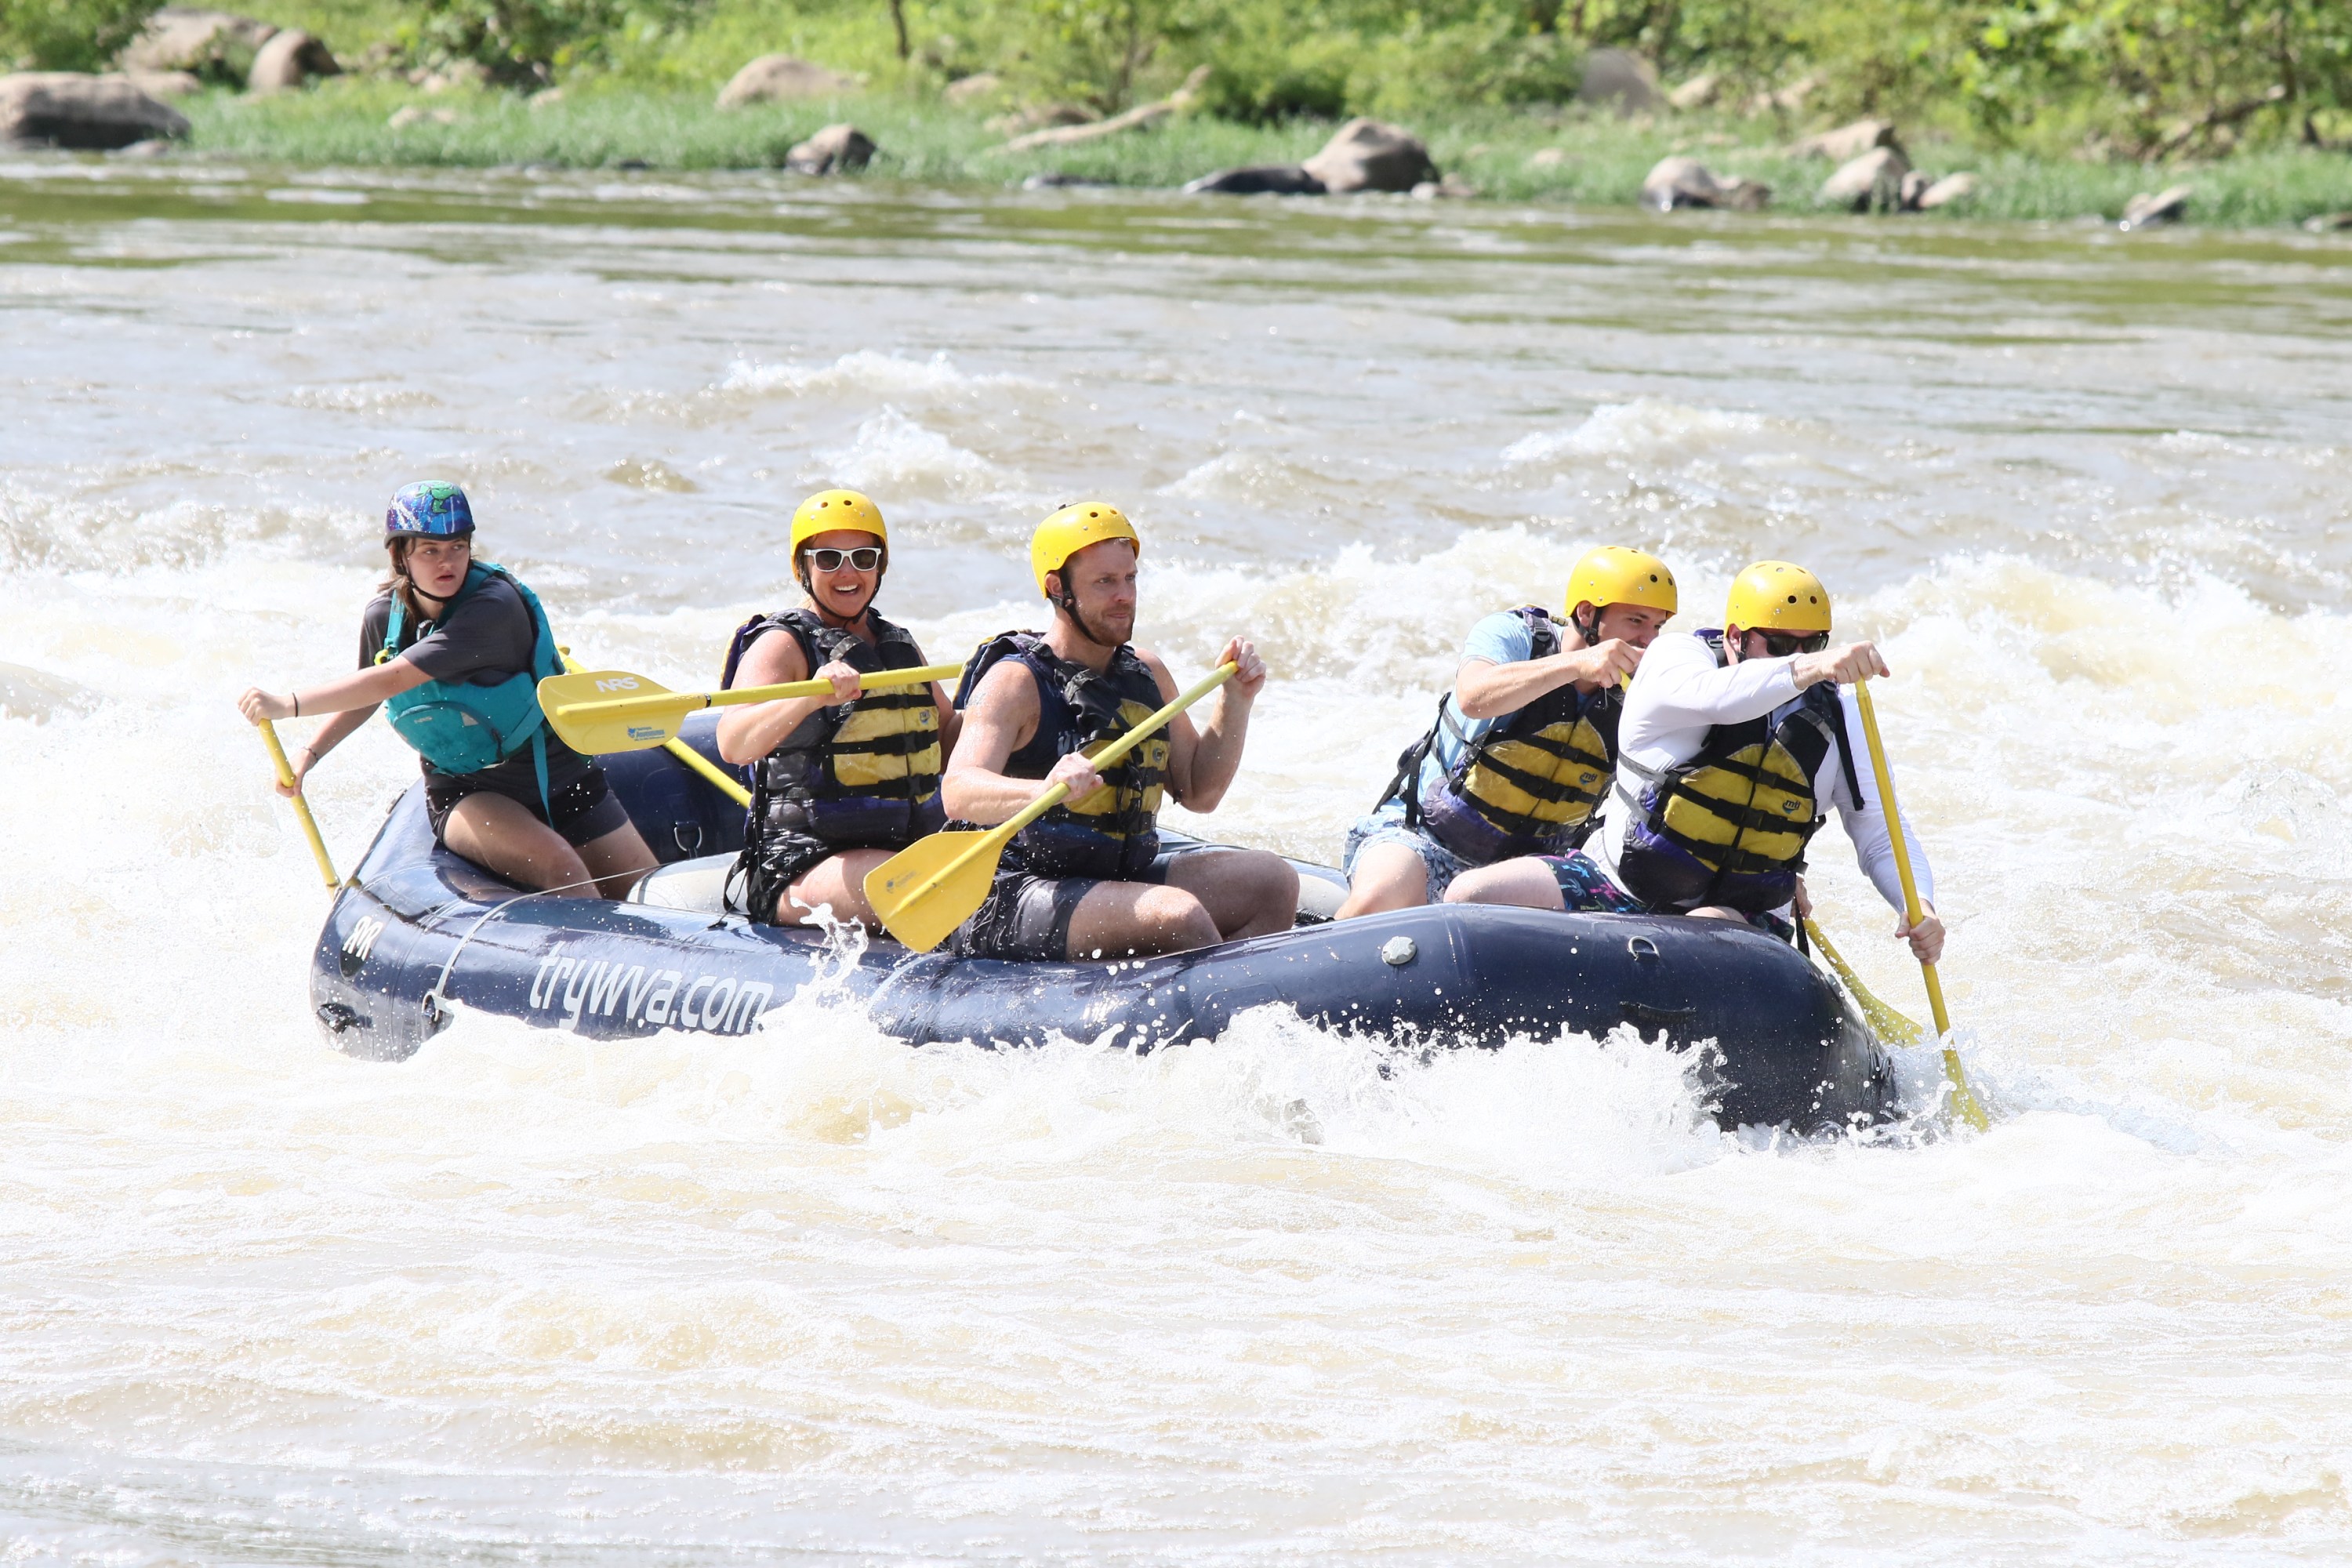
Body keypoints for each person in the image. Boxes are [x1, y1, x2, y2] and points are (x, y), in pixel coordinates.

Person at [1453, 560, 1944, 964]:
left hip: (1737, 913)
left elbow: (1880, 833)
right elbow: (1718, 700)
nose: (1793, 656)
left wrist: (1917, 904)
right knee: (1468, 897)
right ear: (1735, 637)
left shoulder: (1842, 711)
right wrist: (1810, 665)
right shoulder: (1677, 658)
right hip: (1619, 882)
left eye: (1811, 644)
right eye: (1777, 644)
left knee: (1696, 937)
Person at [235, 481, 658, 898]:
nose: (447, 562)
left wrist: (286, 704)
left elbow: (394, 679)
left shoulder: (494, 607)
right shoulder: (383, 620)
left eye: (458, 547)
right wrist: (309, 755)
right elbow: (370, 695)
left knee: (652, 897)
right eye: (430, 551)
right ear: (400, 556)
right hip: (468, 788)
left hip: (563, 776)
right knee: (562, 868)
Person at [940, 502, 1298, 961]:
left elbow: (1200, 792)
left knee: (1273, 883)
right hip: (1012, 890)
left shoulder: (1146, 672)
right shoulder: (1015, 682)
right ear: (1058, 589)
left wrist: (1237, 700)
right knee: (1178, 915)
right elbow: (959, 790)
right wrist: (1043, 789)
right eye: (1105, 582)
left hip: (1118, 875)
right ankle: (1230, 1012)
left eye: (1129, 579)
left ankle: (1223, 999)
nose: (1125, 595)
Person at [1335, 546, 1680, 920]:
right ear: (1586, 613)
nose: (1649, 639)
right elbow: (1473, 696)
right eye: (1636, 621)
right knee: (1381, 896)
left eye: (1657, 626)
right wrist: (1578, 664)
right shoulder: (1513, 635)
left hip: (1528, 871)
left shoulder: (1639, 695)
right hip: (1424, 838)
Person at [714, 488, 960, 931]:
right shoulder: (782, 645)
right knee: (920, 888)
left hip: (908, 849)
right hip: (802, 863)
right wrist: (811, 696)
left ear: (880, 566)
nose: (848, 573)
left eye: (863, 558)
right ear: (803, 568)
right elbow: (733, 743)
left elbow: (949, 737)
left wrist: (1009, 697)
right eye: (829, 559)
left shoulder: (899, 644)